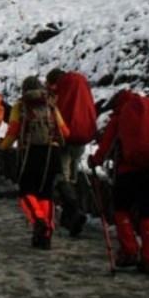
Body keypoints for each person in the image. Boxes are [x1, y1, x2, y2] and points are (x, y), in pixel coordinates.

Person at [87, 90, 149, 274]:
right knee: (147, 214)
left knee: (121, 210)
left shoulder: (120, 118)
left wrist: (95, 161)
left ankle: (129, 250)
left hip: (127, 172)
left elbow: (106, 146)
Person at [0, 76, 70, 250]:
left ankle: (38, 220)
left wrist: (2, 147)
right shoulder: (50, 104)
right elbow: (65, 132)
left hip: (29, 154)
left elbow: (13, 132)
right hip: (51, 155)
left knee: (26, 192)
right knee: (46, 194)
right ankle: (46, 236)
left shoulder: (20, 106)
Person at [46, 68, 97, 237]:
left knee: (62, 176)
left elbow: (52, 111)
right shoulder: (81, 86)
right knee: (72, 177)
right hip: (81, 136)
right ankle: (70, 220)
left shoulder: (58, 89)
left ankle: (74, 212)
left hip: (64, 136)